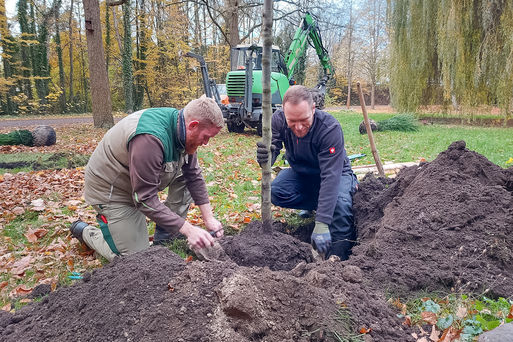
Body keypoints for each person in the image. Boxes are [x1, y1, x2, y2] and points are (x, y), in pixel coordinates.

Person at [70, 97, 224, 261]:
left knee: (184, 177)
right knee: (135, 259)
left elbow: (193, 175)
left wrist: (209, 219)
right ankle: (87, 232)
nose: (206, 143)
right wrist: (189, 230)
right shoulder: (149, 139)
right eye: (206, 137)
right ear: (193, 125)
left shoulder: (183, 130)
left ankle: (167, 233)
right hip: (112, 188)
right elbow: (144, 199)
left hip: (140, 180)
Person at [256, 85, 358, 260]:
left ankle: (339, 261)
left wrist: (322, 222)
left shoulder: (329, 128)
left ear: (313, 108)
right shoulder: (278, 120)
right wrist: (265, 157)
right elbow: (273, 147)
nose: (299, 127)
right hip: (302, 174)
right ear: (284, 112)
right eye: (292, 121)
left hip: (336, 174)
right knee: (277, 191)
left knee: (340, 206)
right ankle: (322, 205)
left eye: (304, 120)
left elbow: (330, 177)